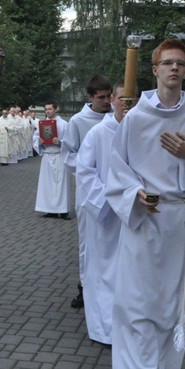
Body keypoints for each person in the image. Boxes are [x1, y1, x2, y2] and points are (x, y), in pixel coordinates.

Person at [105, 39, 185, 369]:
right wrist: (133, 193)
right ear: (154, 69)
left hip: (177, 224)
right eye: (168, 63)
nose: (174, 68)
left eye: (180, 64)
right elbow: (116, 166)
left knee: (172, 304)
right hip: (143, 220)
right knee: (135, 302)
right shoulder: (136, 118)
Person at [75, 82, 131, 345]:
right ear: (112, 100)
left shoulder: (141, 130)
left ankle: (130, 326)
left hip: (134, 215)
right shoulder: (98, 133)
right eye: (121, 98)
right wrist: (110, 200)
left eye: (132, 98)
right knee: (104, 270)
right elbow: (85, 171)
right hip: (105, 215)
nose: (125, 103)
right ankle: (104, 329)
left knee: (130, 271)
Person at [61, 75, 112, 309]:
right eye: (101, 97)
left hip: (114, 189)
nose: (107, 101)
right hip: (89, 192)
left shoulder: (118, 117)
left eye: (109, 95)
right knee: (88, 242)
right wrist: (90, 165)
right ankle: (85, 287)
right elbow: (68, 155)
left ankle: (112, 287)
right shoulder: (78, 121)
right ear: (90, 97)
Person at [33, 101, 70, 219]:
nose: (47, 111)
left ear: (56, 109)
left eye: (49, 109)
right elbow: (35, 138)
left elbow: (70, 141)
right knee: (47, 184)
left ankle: (63, 210)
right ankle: (50, 209)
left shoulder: (64, 124)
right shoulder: (42, 124)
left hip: (59, 155)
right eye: (46, 109)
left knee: (60, 184)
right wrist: (39, 142)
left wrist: (60, 142)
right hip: (47, 155)